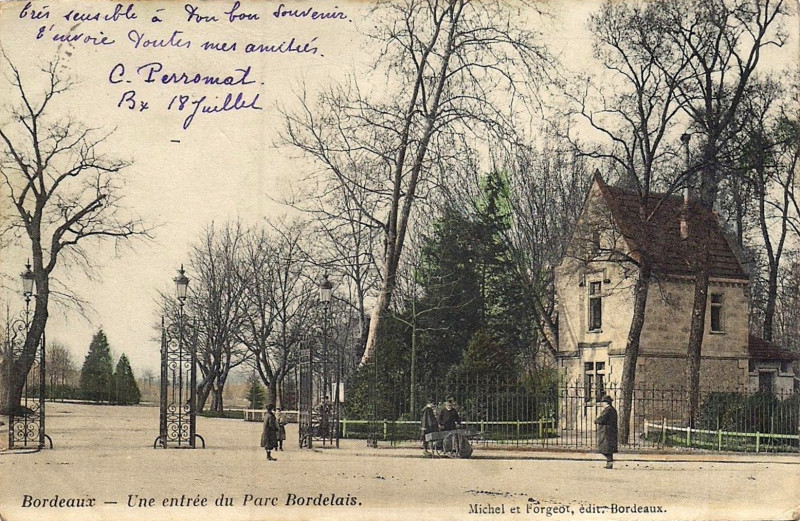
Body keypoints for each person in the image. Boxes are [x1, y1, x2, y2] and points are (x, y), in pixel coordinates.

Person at [594, 395, 618, 469]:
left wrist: (596, 420)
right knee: (607, 448)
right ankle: (609, 462)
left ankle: (610, 462)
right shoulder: (611, 409)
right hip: (609, 430)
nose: (602, 404)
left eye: (603, 402)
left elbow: (602, 418)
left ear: (606, 402)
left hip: (607, 431)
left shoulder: (608, 410)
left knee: (605, 447)